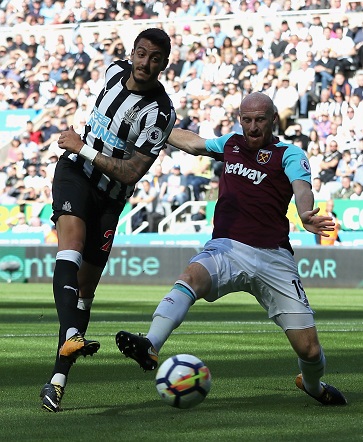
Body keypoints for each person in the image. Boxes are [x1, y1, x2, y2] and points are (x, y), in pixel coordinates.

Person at [116, 92, 347, 407]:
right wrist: (154, 126)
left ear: (273, 119)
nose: (252, 127)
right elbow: (194, 144)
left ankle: (312, 384)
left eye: (260, 120)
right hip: (227, 247)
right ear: (240, 119)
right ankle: (150, 344)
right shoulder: (231, 144)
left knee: (308, 350)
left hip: (273, 257)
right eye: (247, 119)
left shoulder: (289, 154)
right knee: (190, 277)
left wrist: (305, 213)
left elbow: (301, 188)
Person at [40, 28, 176, 413]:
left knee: (85, 290)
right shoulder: (111, 73)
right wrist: (80, 151)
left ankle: (57, 380)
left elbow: (131, 172)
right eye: (142, 54)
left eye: (155, 59)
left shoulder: (159, 113)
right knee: (72, 244)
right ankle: (70, 337)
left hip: (111, 196)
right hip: (75, 173)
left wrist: (81, 144)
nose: (145, 64)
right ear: (132, 52)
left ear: (165, 64)